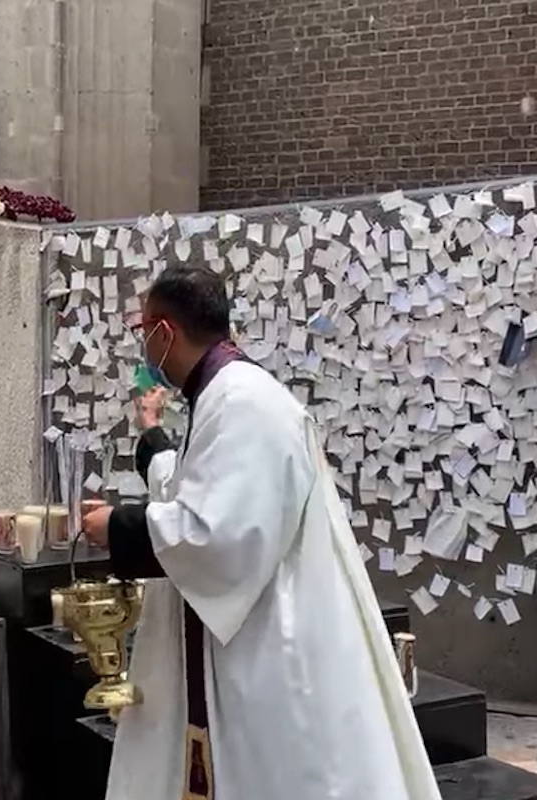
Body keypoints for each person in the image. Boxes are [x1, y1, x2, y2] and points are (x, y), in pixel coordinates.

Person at [80, 265, 439, 800]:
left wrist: (119, 528)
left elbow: (219, 534)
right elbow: (198, 487)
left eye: (142, 333)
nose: (143, 348)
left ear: (164, 332)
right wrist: (151, 438)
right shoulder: (227, 392)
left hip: (273, 647)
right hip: (257, 632)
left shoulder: (240, 400)